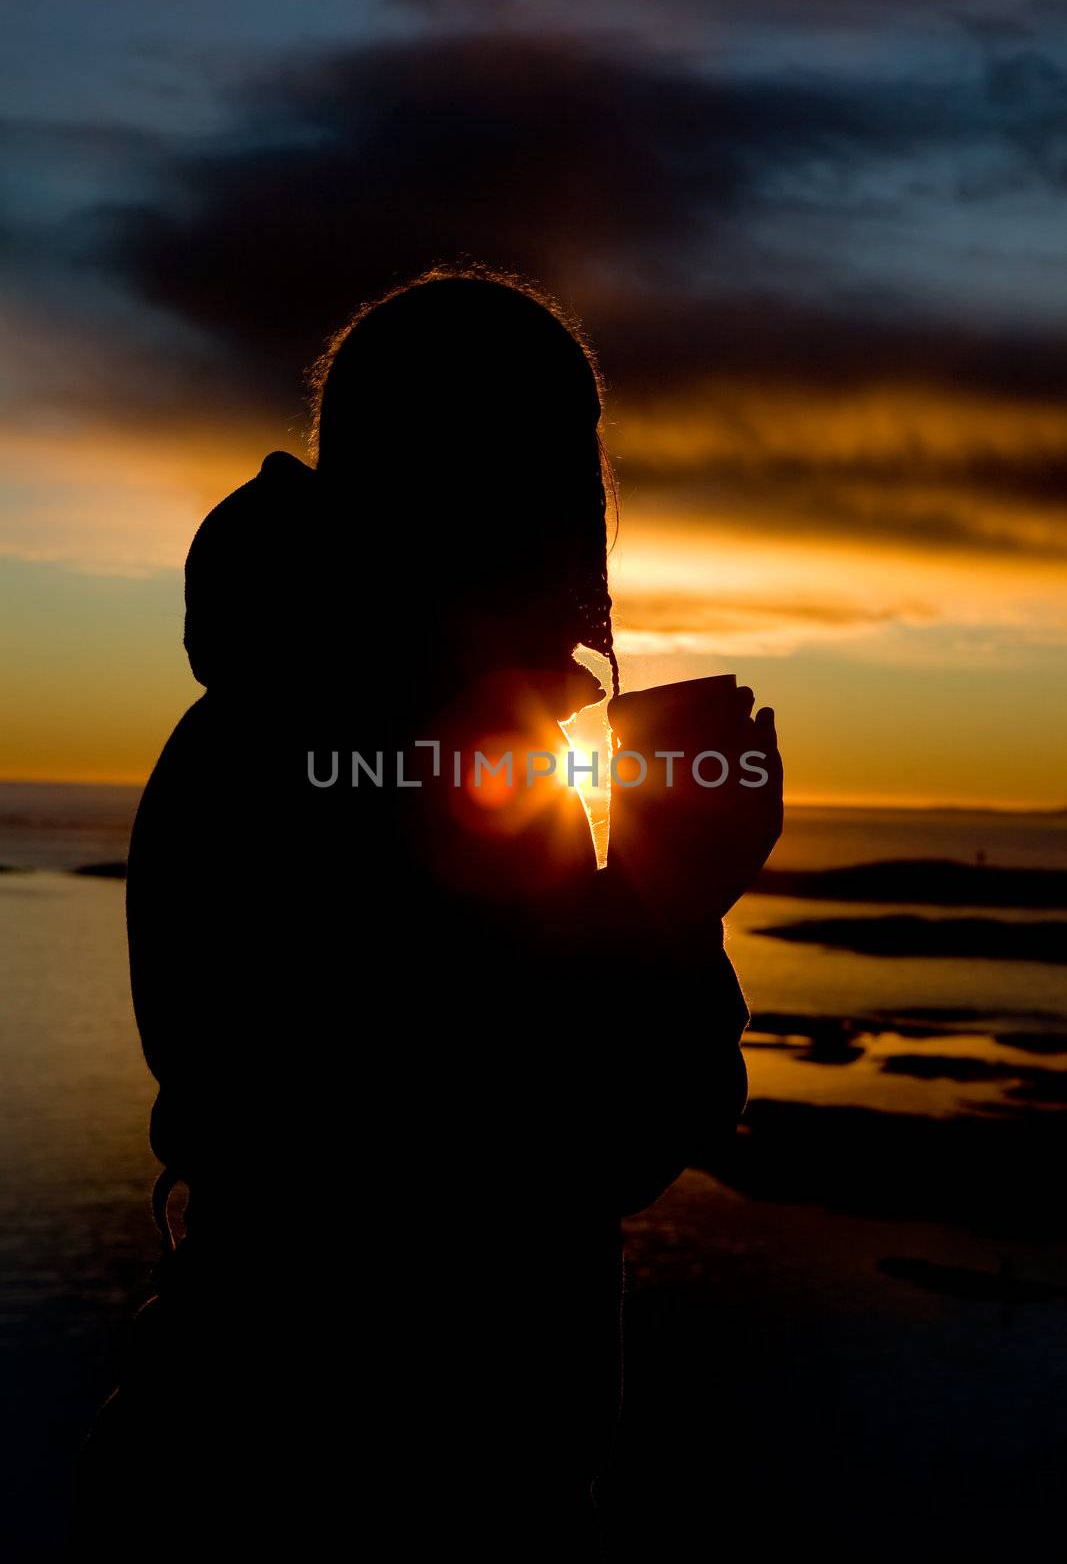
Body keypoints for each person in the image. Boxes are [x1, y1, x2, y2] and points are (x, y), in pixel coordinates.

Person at [75, 269, 781, 1559]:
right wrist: (684, 897)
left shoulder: (278, 717)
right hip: (381, 1485)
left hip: (230, 1443)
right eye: (559, 480)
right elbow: (578, 1139)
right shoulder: (419, 754)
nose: (580, 539)